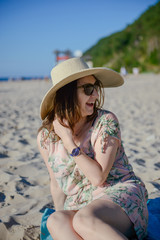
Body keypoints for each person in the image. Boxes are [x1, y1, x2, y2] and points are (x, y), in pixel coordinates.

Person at [37, 57, 148, 240]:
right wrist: (61, 215)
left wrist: (68, 141)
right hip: (81, 204)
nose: (96, 95)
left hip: (118, 195)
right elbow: (56, 184)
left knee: (83, 220)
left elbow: (98, 177)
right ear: (67, 93)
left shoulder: (105, 122)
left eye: (96, 87)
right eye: (88, 89)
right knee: (55, 220)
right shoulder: (45, 138)